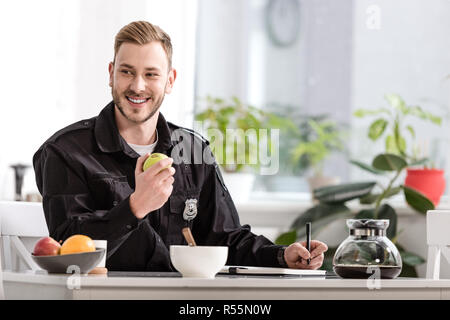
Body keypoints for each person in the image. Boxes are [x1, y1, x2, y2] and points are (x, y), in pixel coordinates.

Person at [33, 21, 328, 271]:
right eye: (126, 72)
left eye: (151, 74)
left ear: (170, 80)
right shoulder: (64, 152)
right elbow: (68, 249)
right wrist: (136, 207)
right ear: (111, 74)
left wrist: (281, 255)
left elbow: (223, 238)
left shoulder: (193, 150)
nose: (137, 85)